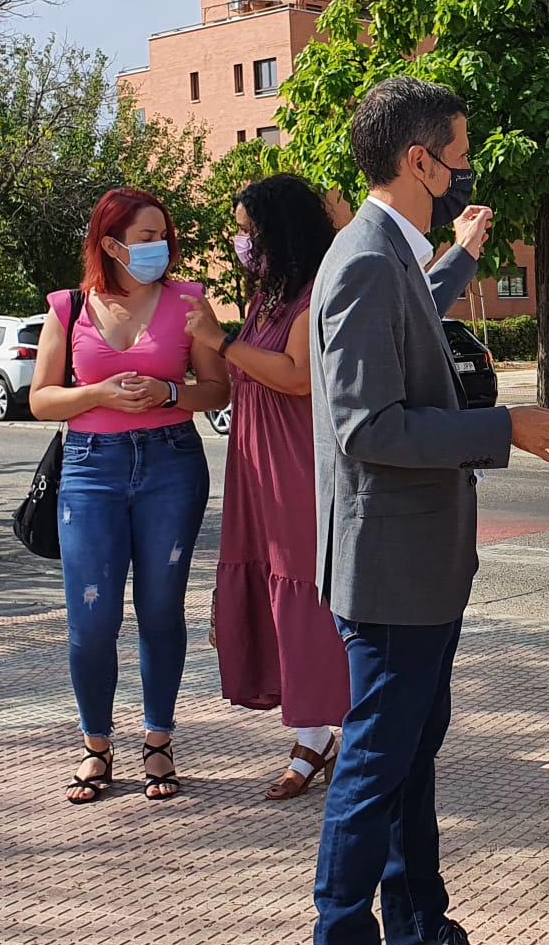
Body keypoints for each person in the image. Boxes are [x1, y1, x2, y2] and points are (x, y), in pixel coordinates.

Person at [307, 75, 549, 945]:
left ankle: (418, 931)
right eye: (458, 152)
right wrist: (504, 428)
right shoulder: (364, 264)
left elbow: (413, 319)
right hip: (389, 569)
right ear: (419, 160)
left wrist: (462, 252)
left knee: (413, 751)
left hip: (415, 561)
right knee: (373, 772)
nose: (466, 167)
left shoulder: (388, 257)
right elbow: (371, 427)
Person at [199, 173, 496, 799]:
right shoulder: (269, 294)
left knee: (310, 591)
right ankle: (314, 729)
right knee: (284, 591)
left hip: (297, 463)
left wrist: (221, 342)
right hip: (258, 465)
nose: (238, 243)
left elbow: (300, 377)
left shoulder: (328, 282)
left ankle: (324, 734)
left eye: (247, 232)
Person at [31, 188, 231, 805]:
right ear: (111, 243)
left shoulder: (190, 300)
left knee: (160, 609)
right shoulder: (69, 306)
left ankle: (158, 739)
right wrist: (97, 395)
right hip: (91, 469)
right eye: (146, 237)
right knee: (92, 621)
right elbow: (40, 400)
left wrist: (170, 396)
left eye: (163, 235)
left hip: (171, 465)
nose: (160, 247)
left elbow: (217, 390)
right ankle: (95, 744)